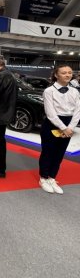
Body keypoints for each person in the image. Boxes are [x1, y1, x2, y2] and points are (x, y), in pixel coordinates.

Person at [38, 65, 80, 194]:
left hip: (69, 124)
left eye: (70, 73)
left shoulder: (75, 91)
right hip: (52, 124)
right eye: (64, 73)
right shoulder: (49, 91)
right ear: (56, 75)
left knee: (59, 153)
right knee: (48, 152)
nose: (67, 75)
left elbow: (78, 111)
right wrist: (63, 128)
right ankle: (43, 178)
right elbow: (50, 113)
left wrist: (70, 127)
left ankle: (52, 178)